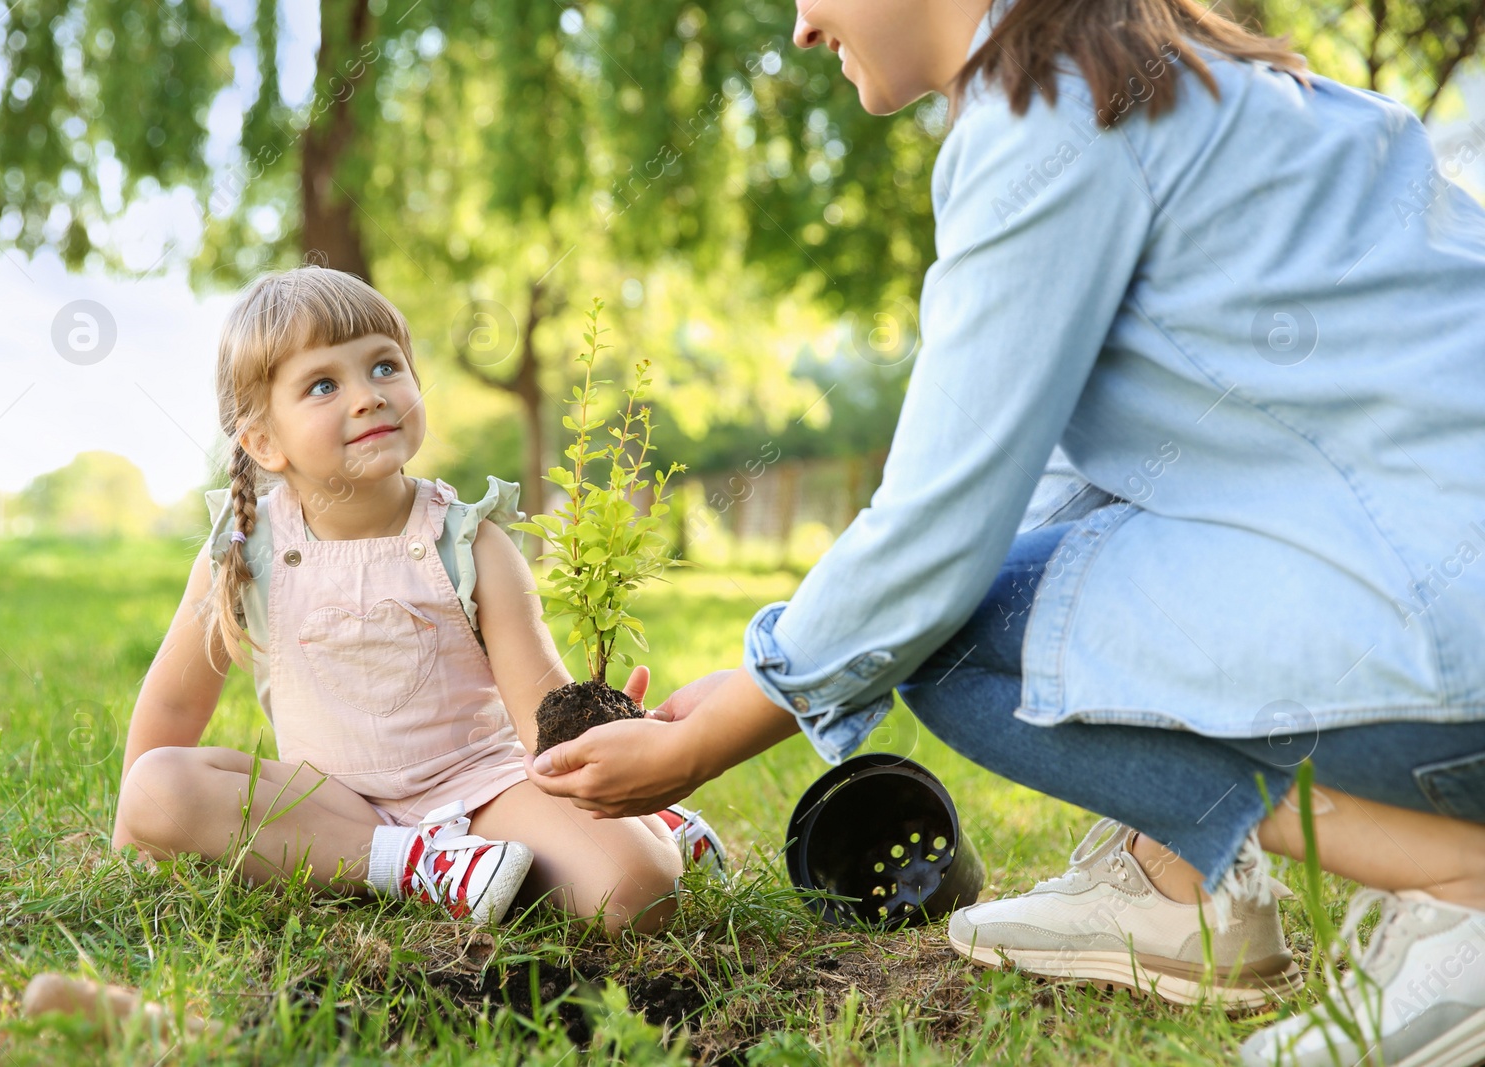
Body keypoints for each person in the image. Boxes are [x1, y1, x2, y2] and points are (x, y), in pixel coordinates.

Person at [526, 0, 1485, 1060]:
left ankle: (1459, 883)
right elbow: (1057, 487)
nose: (801, 27)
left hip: (1450, 635)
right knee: (992, 589)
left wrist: (736, 720)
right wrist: (780, 660)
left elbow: (942, 538)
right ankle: (1174, 883)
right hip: (1441, 598)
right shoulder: (1173, 72)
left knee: (947, 637)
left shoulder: (1047, 116)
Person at [112, 267, 723, 932]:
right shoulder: (243, 553)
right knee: (156, 787)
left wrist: (608, 746)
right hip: (328, 808)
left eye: (384, 366)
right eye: (324, 384)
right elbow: (174, 703)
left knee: (639, 892)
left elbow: (537, 711)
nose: (369, 397)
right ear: (263, 440)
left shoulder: (467, 542)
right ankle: (415, 863)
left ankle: (649, 826)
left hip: (483, 791)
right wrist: (133, 836)